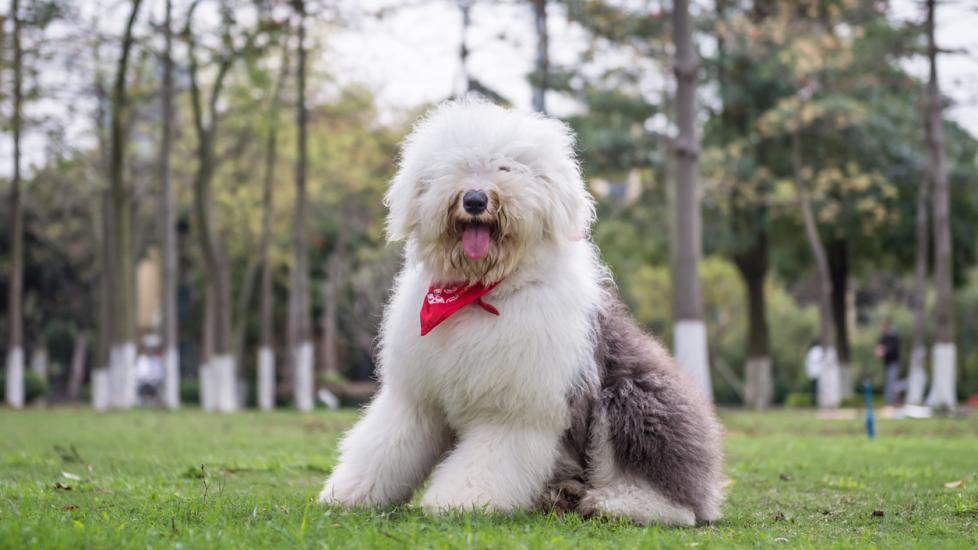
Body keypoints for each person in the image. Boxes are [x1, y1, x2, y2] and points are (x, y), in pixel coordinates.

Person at [875, 319, 901, 406]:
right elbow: (880, 347)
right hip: (887, 364)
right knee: (888, 383)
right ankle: (889, 402)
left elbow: (893, 350)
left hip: (894, 363)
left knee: (892, 384)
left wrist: (884, 351)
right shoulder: (884, 337)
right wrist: (878, 351)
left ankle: (892, 403)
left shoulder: (894, 337)